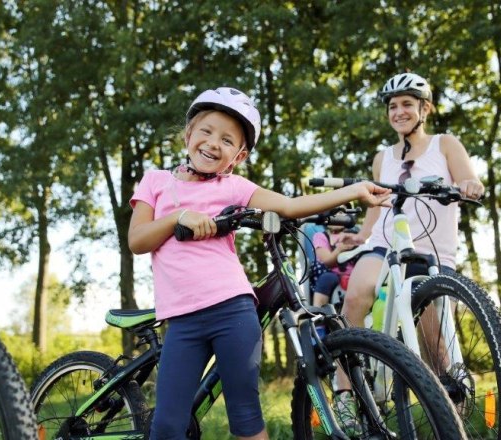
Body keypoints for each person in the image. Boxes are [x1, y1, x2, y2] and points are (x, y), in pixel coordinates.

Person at [128, 86, 391, 440]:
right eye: (206, 131)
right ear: (189, 134)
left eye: (226, 140)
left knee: (246, 416)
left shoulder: (233, 186)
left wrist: (354, 190)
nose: (212, 143)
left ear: (237, 156)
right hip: (182, 321)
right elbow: (137, 240)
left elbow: (289, 205)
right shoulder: (156, 181)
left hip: (233, 312)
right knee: (166, 427)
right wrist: (179, 218)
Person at [335, 72, 484, 431]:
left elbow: (469, 178)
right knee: (355, 296)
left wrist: (468, 185)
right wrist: (362, 236)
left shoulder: (444, 144)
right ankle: (344, 395)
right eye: (392, 106)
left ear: (425, 108)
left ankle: (452, 421)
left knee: (435, 348)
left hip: (429, 251)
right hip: (385, 245)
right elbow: (377, 206)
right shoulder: (381, 156)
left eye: (406, 104)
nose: (398, 111)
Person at [311, 224, 355, 307]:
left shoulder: (354, 234)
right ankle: (319, 311)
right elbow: (327, 260)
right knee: (326, 279)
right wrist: (339, 249)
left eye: (341, 212)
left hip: (354, 273)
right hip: (332, 273)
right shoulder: (321, 236)